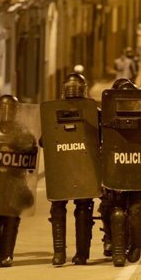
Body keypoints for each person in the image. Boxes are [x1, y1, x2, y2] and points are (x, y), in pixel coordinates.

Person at [102, 79, 141, 267]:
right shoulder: (105, 121)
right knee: (109, 207)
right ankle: (111, 239)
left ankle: (136, 245)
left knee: (136, 212)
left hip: (137, 172)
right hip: (115, 172)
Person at [43, 74, 96, 266]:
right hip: (83, 166)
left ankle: (59, 253)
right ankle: (81, 254)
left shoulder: (55, 111)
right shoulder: (92, 111)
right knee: (83, 208)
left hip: (63, 166)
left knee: (58, 207)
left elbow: (44, 140)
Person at [0, 95, 39, 267]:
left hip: (14, 183)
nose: (7, 113)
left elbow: (31, 149)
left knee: (11, 219)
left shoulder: (21, 131)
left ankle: (7, 253)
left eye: (11, 109)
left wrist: (27, 146)